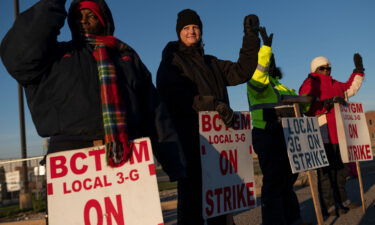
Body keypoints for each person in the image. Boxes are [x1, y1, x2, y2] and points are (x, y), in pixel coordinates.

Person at [0, 0, 185, 181]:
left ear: (103, 21)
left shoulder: (126, 58)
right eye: (78, 16)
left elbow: (155, 114)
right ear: (71, 22)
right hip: (70, 158)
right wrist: (53, 3)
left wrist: (175, 164)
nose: (84, 21)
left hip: (128, 157)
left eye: (91, 16)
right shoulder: (55, 56)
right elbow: (19, 55)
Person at [156, 9, 260, 225]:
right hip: (192, 143)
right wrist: (213, 105)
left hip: (220, 143)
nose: (191, 31)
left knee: (220, 204)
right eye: (186, 28)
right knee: (192, 205)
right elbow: (173, 96)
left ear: (201, 31)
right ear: (179, 33)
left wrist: (250, 38)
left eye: (195, 27)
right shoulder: (171, 62)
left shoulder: (211, 62)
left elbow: (242, 71)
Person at [247, 27, 310, 225]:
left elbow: (303, 103)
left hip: (286, 136)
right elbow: (259, 74)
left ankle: (292, 219)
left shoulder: (279, 85)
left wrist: (311, 99)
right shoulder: (255, 82)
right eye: (266, 61)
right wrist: (265, 48)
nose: (268, 64)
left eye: (270, 60)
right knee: (274, 182)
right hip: (266, 134)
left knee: (288, 181)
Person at [299, 55, 365, 217]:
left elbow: (350, 89)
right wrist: (325, 104)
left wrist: (358, 71)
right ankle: (329, 205)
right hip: (323, 131)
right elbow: (305, 106)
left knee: (341, 171)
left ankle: (342, 200)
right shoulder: (310, 83)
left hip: (340, 132)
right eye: (322, 68)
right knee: (326, 172)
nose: (326, 71)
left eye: (328, 68)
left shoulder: (335, 84)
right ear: (315, 69)